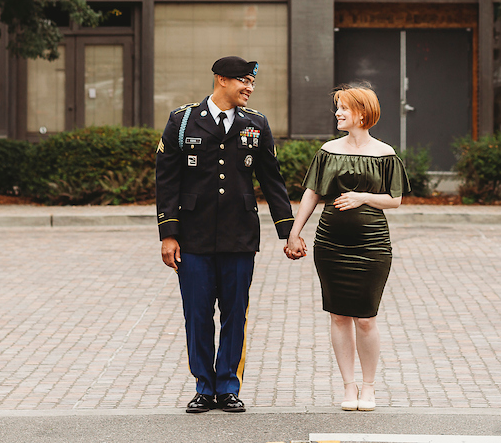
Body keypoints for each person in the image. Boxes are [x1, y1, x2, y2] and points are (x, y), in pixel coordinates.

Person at [155, 55, 298, 414]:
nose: (249, 88)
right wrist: (168, 234)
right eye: (243, 81)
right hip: (194, 237)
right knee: (198, 314)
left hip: (239, 237)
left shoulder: (256, 124)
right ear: (221, 79)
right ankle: (204, 386)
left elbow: (271, 180)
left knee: (235, 314)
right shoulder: (183, 120)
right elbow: (167, 180)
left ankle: (228, 386)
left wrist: (288, 231)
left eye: (251, 82)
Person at [286, 85, 409, 412]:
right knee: (339, 315)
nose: (338, 113)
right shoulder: (328, 150)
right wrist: (294, 233)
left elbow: (395, 199)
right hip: (331, 243)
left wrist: (363, 197)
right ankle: (349, 386)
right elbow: (312, 194)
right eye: (338, 107)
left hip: (371, 244)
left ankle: (369, 387)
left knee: (366, 318)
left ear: (363, 113)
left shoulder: (385, 153)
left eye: (344, 108)